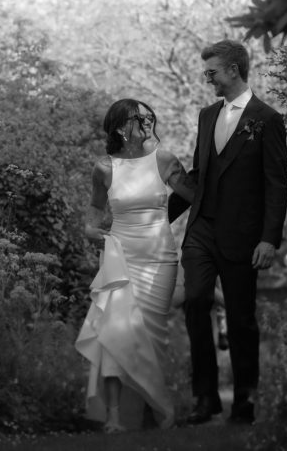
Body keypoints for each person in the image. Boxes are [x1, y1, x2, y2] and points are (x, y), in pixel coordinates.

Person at [168, 39, 287, 425]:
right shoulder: (206, 116)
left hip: (243, 236)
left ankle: (245, 400)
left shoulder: (267, 120)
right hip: (201, 230)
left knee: (241, 320)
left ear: (234, 70)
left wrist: (269, 238)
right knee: (197, 301)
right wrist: (159, 217)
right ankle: (205, 398)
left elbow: (276, 184)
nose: (208, 80)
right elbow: (199, 177)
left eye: (212, 73)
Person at [75, 98, 196, 433]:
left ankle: (150, 411)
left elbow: (193, 195)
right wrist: (91, 231)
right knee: (115, 333)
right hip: (120, 256)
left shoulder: (164, 159)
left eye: (149, 117)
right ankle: (114, 417)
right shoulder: (104, 168)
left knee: (152, 336)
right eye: (138, 118)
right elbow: (94, 214)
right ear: (119, 127)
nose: (146, 122)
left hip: (160, 257)